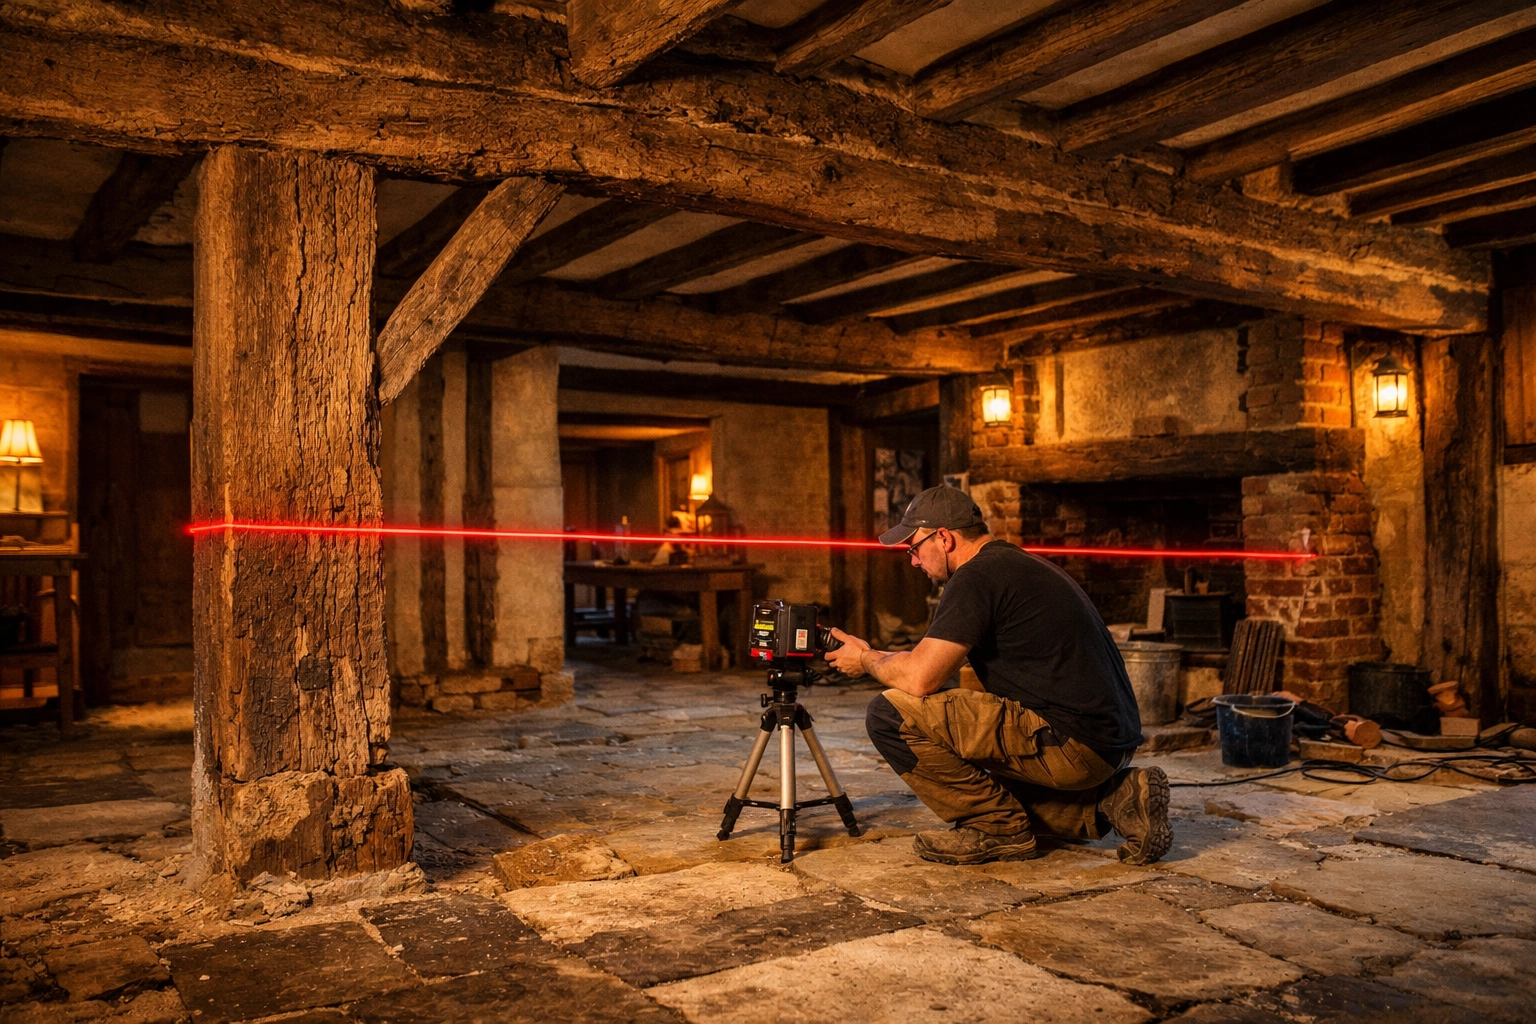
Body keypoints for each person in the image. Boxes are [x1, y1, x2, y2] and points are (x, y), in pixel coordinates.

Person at [826, 484, 1171, 866]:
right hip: (1108, 746)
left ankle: (995, 829)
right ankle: (1114, 801)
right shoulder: (1020, 564)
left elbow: (921, 679)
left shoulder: (976, 577)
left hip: (1071, 745)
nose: (913, 561)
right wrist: (875, 654)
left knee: (891, 714)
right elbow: (930, 663)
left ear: (943, 537)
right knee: (983, 778)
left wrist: (866, 660)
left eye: (914, 548)